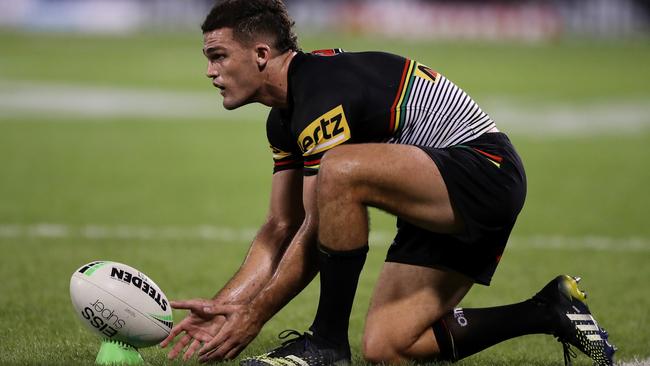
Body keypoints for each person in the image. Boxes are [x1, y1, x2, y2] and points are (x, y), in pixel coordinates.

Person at [160, 1, 617, 365]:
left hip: (483, 171)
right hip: (432, 194)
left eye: (218, 56)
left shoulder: (320, 90)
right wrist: (224, 307)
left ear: (261, 54)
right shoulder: (283, 123)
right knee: (389, 347)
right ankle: (549, 310)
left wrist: (256, 315)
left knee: (338, 172)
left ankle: (326, 343)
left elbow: (318, 222)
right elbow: (280, 226)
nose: (210, 71)